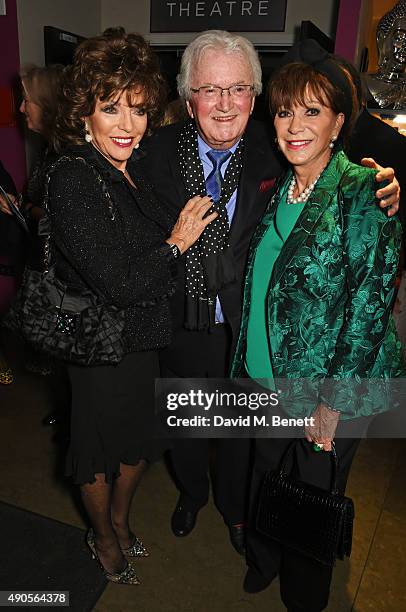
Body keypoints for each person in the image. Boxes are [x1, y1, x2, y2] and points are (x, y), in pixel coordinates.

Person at [139, 29, 401, 556]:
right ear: (188, 97)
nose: (224, 103)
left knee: (243, 439)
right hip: (178, 322)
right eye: (209, 89)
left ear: (255, 98)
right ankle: (191, 495)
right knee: (188, 428)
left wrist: (387, 181)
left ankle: (237, 513)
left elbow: (339, 149)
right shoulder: (150, 154)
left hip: (249, 330)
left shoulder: (277, 143)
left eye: (238, 89)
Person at [230, 39, 404, 611]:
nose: (295, 124)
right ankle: (264, 558)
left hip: (328, 386)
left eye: (312, 111)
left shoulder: (361, 191)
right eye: (285, 111)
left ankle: (305, 594)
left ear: (337, 124)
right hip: (266, 376)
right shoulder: (283, 186)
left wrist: (332, 402)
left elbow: (370, 310)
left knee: (311, 493)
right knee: (265, 471)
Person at [47, 28, 217, 585]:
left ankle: (120, 520)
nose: (127, 124)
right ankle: (102, 534)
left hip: (142, 339)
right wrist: (176, 242)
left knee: (139, 444)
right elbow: (117, 283)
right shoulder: (72, 176)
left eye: (139, 111)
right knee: (97, 452)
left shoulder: (130, 170)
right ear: (85, 113)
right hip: (99, 345)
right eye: (111, 108)